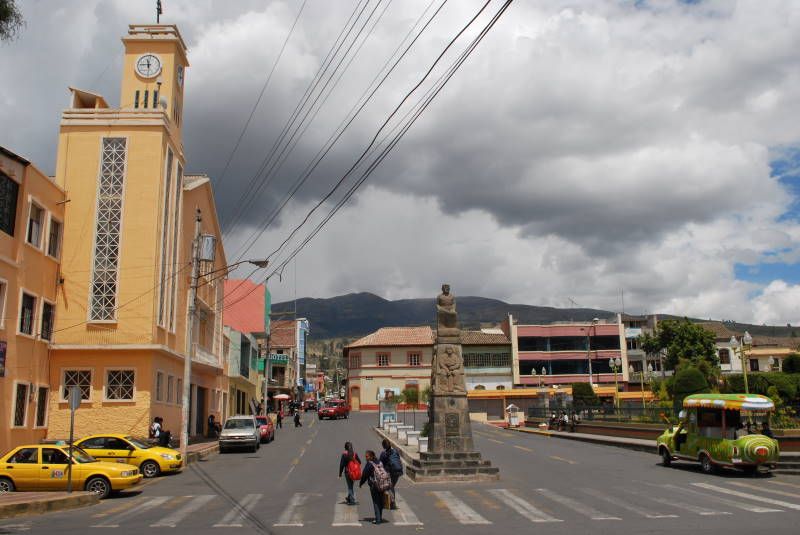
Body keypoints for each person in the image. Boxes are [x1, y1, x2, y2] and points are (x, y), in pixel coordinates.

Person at [360, 450, 389, 525]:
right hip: (382, 484)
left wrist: (361, 483)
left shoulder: (370, 464)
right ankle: (380, 517)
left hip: (374, 486)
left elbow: (364, 475)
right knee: (380, 501)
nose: (366, 458)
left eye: (367, 456)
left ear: (371, 456)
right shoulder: (379, 462)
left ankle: (378, 519)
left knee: (376, 502)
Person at [379, 439, 403, 509]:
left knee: (389, 487)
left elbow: (380, 463)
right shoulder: (395, 451)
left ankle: (392, 503)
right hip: (398, 472)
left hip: (390, 472)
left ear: (384, 446)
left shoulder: (383, 454)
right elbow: (398, 459)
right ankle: (391, 502)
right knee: (391, 487)